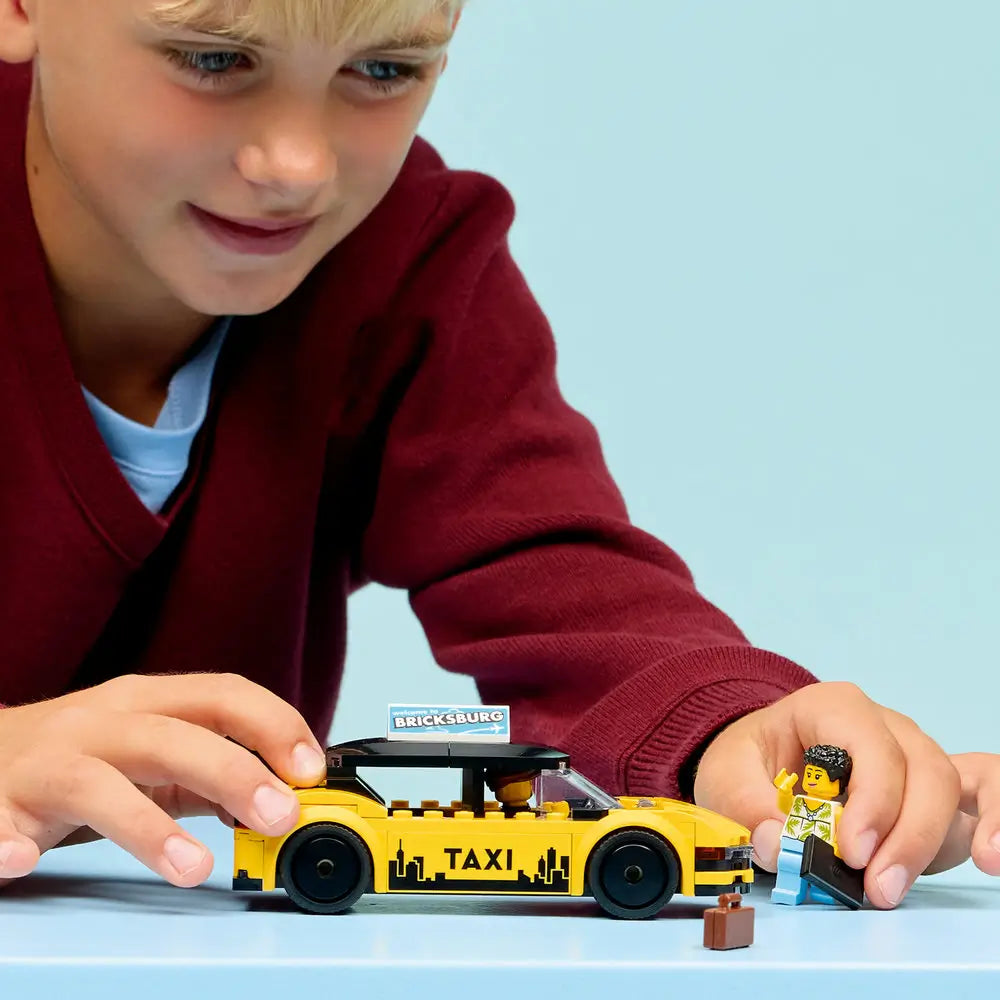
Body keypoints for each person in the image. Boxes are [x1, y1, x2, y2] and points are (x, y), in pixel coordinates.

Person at [0, 0, 994, 910]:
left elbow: (555, 575)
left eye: (385, 70)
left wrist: (728, 736)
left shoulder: (403, 254)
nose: (297, 163)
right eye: (213, 58)